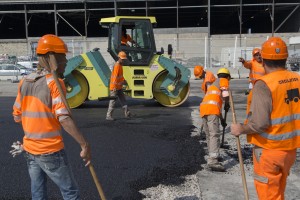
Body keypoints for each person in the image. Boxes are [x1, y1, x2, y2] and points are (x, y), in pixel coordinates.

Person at [12, 34, 91, 199]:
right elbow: (64, 118)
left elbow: (17, 116)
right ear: (53, 57)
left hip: (30, 149)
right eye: (64, 56)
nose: (67, 61)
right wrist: (84, 145)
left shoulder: (24, 82)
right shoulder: (54, 83)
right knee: (70, 192)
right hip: (50, 151)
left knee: (38, 193)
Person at [231, 37, 300, 199]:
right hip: (290, 150)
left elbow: (259, 123)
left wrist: (240, 128)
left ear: (264, 59)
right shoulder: (296, 79)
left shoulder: (263, 85)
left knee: (269, 195)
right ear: (285, 57)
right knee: (278, 192)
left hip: (269, 150)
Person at [199, 67, 231, 172]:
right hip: (211, 111)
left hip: (204, 109)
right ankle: (213, 160)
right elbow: (225, 93)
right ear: (227, 76)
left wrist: (222, 119)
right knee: (214, 134)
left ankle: (213, 154)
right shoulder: (224, 80)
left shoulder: (213, 85)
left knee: (209, 135)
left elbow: (215, 105)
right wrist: (227, 103)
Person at [106, 51, 133, 120]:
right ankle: (108, 116)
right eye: (122, 59)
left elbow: (120, 76)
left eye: (124, 59)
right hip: (114, 87)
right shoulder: (117, 66)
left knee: (123, 100)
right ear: (119, 58)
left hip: (119, 87)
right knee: (112, 102)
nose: (123, 60)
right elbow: (115, 77)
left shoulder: (120, 65)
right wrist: (114, 87)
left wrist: (124, 81)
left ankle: (127, 113)